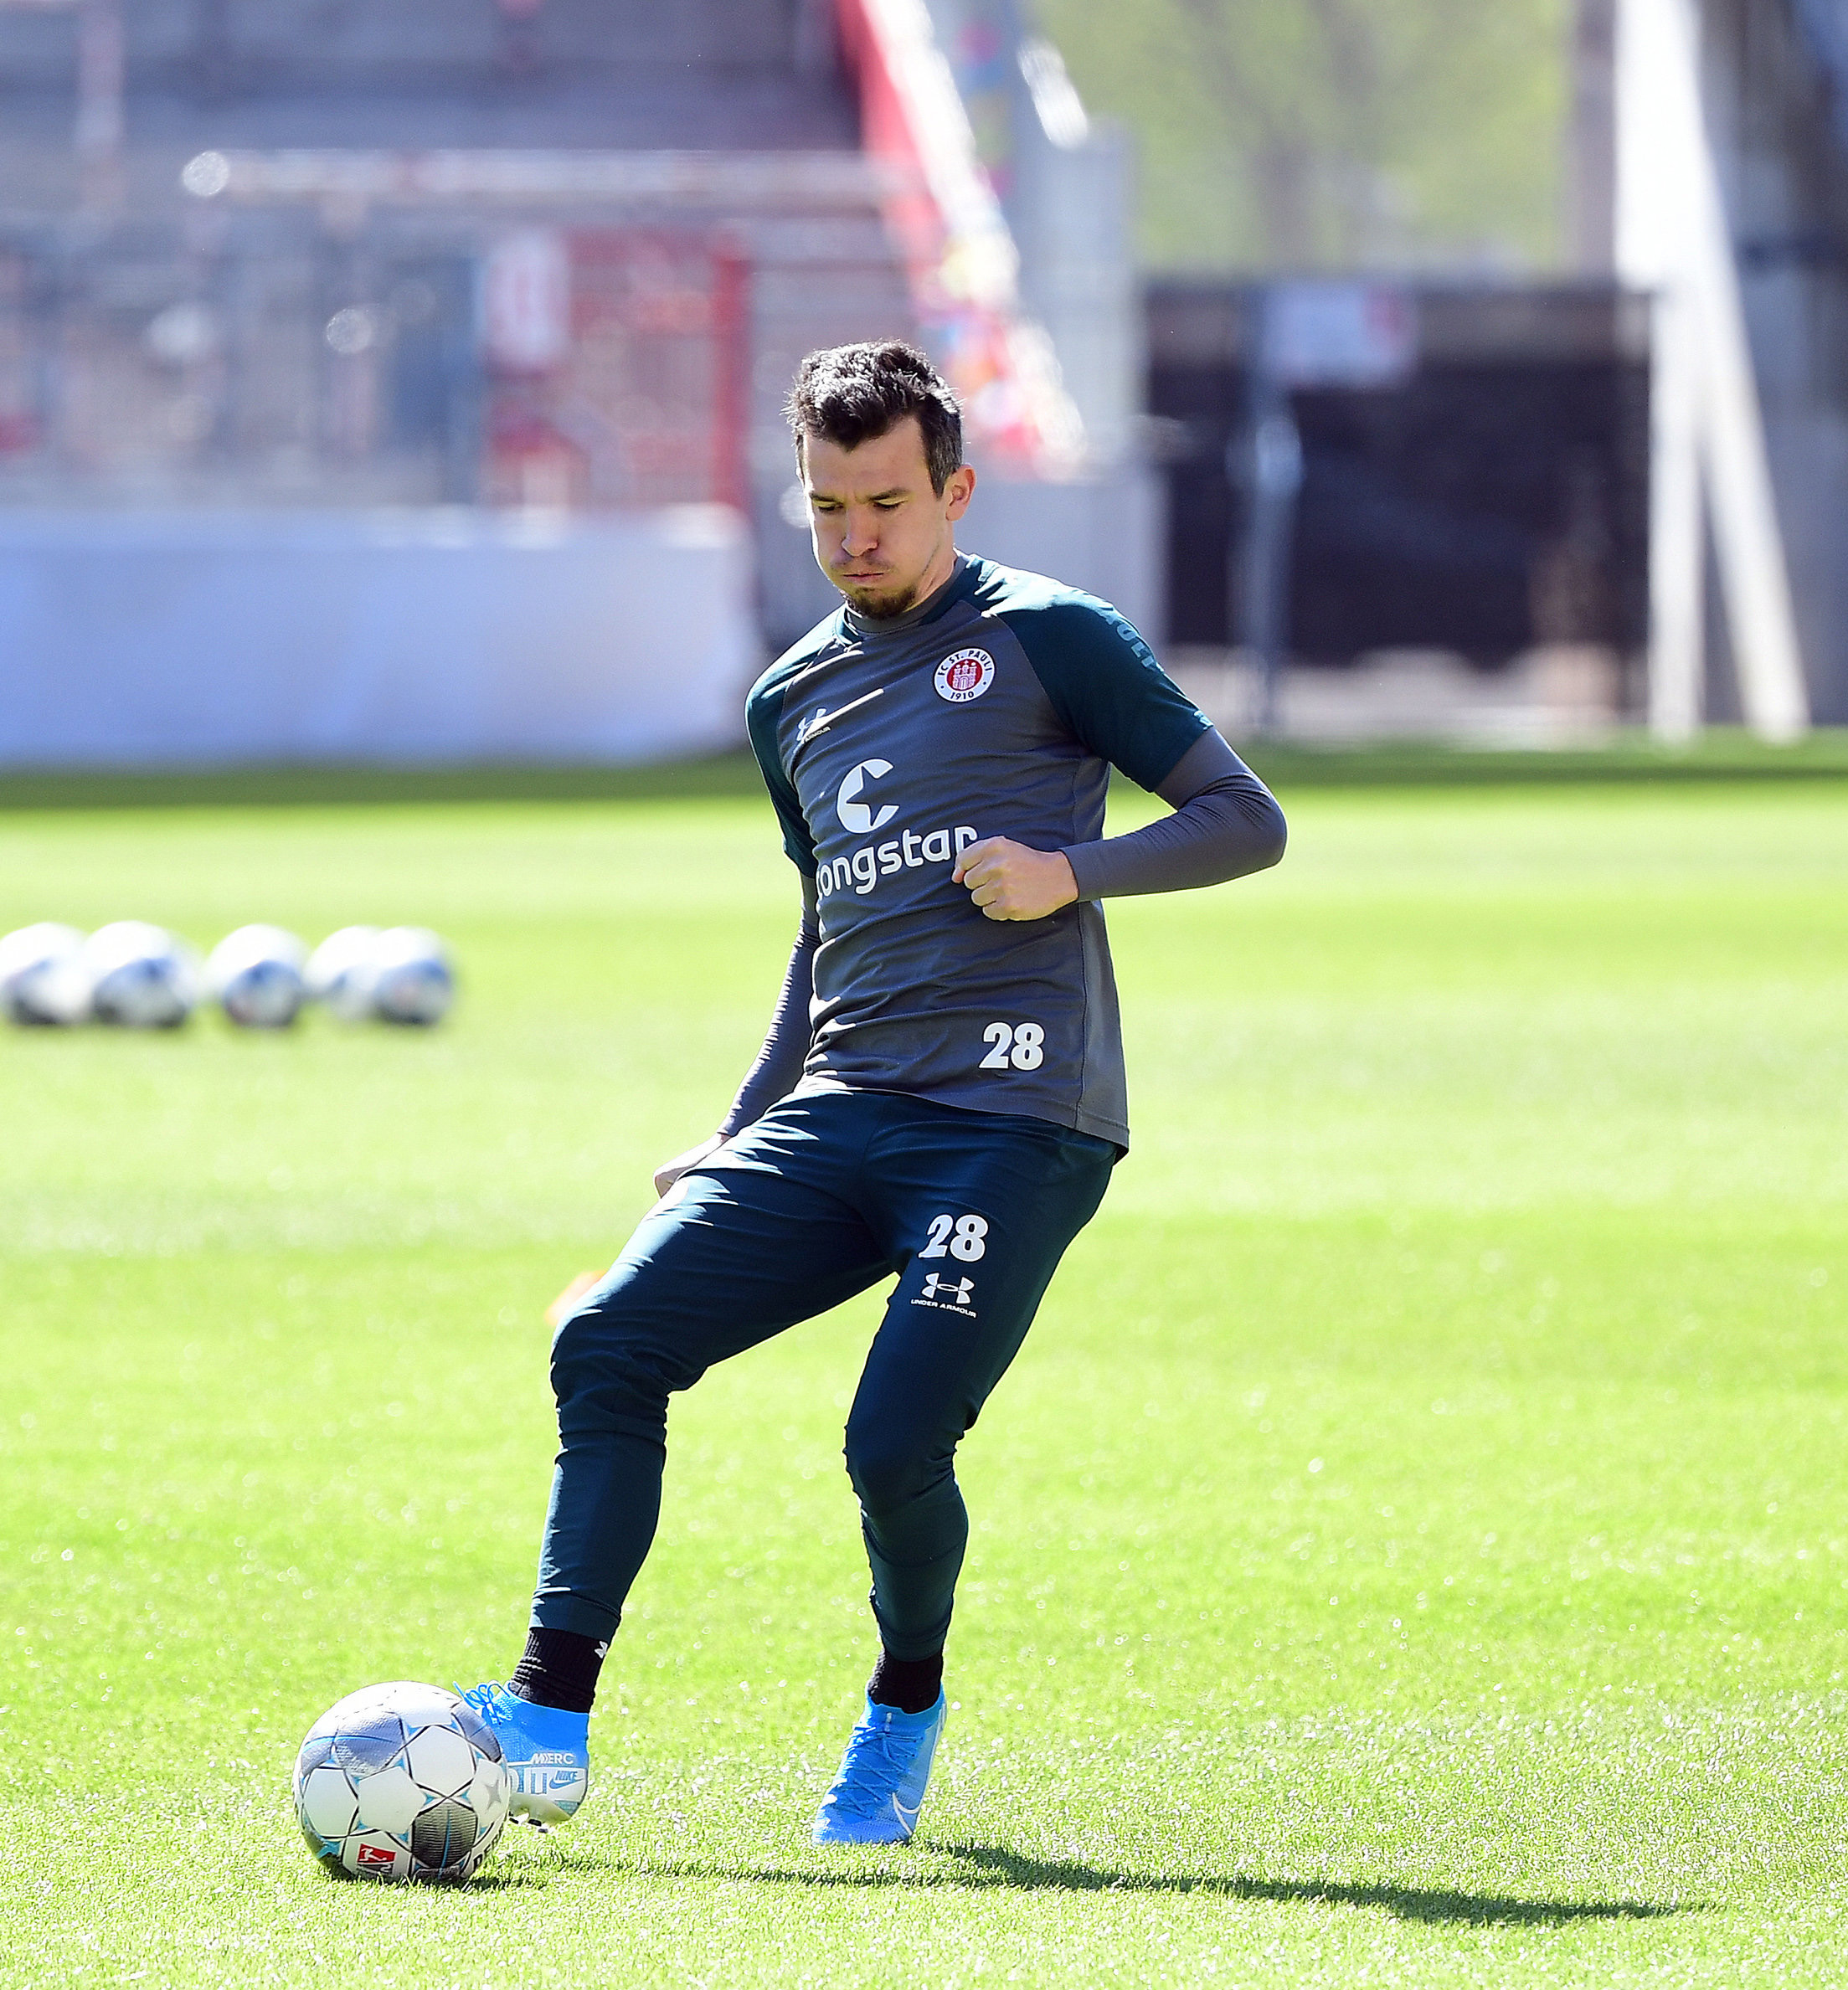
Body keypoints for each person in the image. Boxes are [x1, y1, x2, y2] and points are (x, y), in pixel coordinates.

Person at [465, 340, 1287, 1844]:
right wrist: (738, 1121)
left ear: (954, 490)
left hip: (1012, 1120)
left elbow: (1248, 819)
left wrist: (1071, 872)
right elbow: (822, 932)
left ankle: (903, 1707)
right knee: (608, 1336)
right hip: (839, 1100)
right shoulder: (791, 698)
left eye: (889, 502)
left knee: (889, 1444)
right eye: (829, 504)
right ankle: (541, 1712)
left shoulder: (1055, 635)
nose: (857, 535)